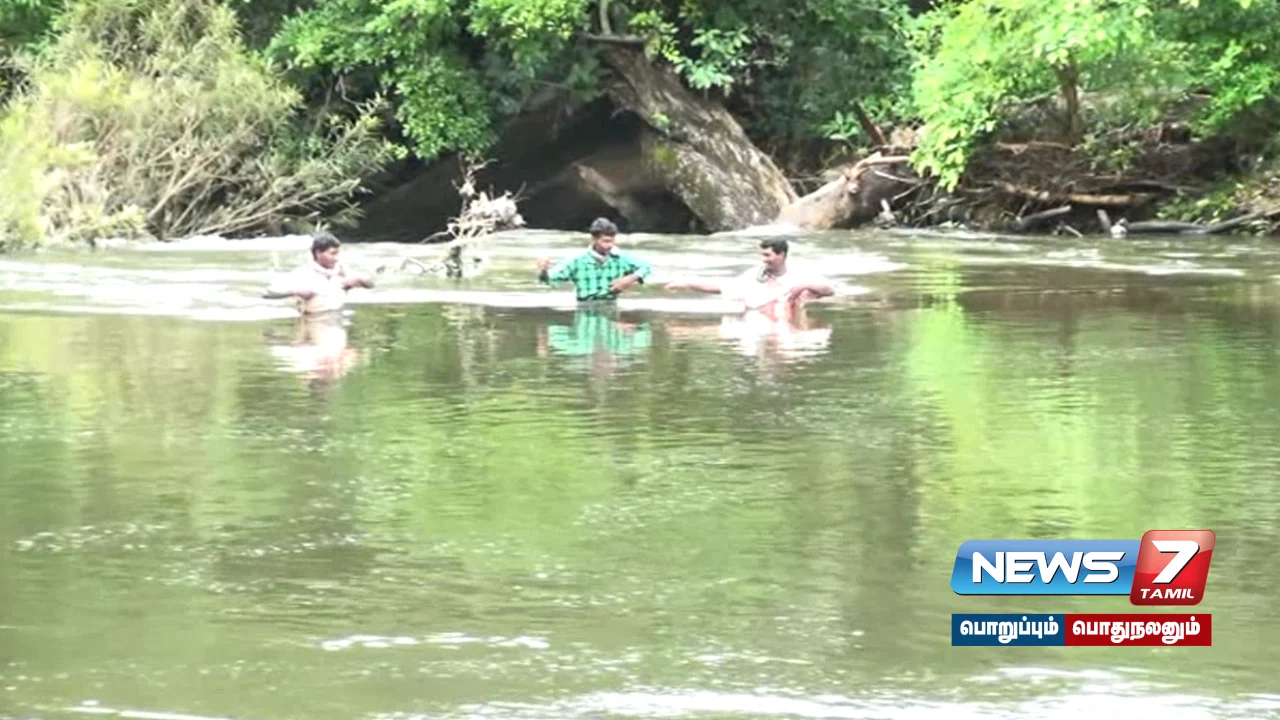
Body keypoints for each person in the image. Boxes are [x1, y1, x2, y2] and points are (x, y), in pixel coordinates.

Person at [664, 238, 834, 317]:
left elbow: (829, 290)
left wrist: (802, 286)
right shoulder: (755, 275)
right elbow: (721, 288)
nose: (764, 260)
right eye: (762, 255)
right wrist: (686, 283)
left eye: (768, 255)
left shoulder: (800, 273)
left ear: (782, 255)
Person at [536, 218, 652, 302]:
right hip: (585, 308)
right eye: (605, 241)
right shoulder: (577, 261)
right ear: (593, 239)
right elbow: (548, 280)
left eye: (612, 241)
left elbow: (645, 267)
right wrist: (543, 271)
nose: (610, 245)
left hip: (611, 307)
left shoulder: (620, 258)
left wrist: (629, 279)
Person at [263, 232, 374, 314]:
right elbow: (269, 293)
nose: (336, 258)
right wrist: (295, 291)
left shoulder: (342, 271)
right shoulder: (303, 274)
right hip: (312, 323)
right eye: (333, 254)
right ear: (318, 253)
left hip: (336, 320)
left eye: (338, 253)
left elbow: (370, 285)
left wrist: (358, 280)